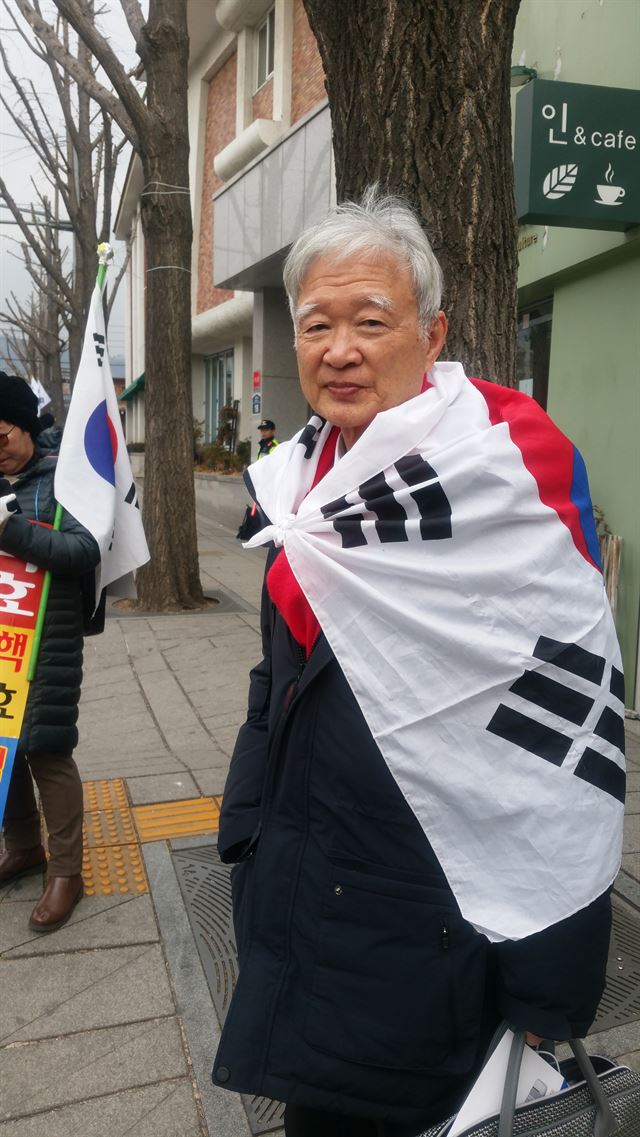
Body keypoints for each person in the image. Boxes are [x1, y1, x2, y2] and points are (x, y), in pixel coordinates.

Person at [212, 191, 623, 1135]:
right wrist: (246, 824)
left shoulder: (505, 470)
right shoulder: (294, 483)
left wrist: (551, 965)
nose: (340, 349)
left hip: (437, 904)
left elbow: (567, 728)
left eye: (371, 321)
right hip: (302, 881)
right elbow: (276, 677)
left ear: (431, 332)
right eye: (318, 323)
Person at [0, 373, 100, 932]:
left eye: (1, 437)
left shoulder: (66, 477)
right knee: (4, 748)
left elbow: (84, 550)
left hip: (46, 636)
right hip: (0, 640)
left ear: (26, 426)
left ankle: (66, 871)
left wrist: (11, 531)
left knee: (46, 748)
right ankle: (22, 848)